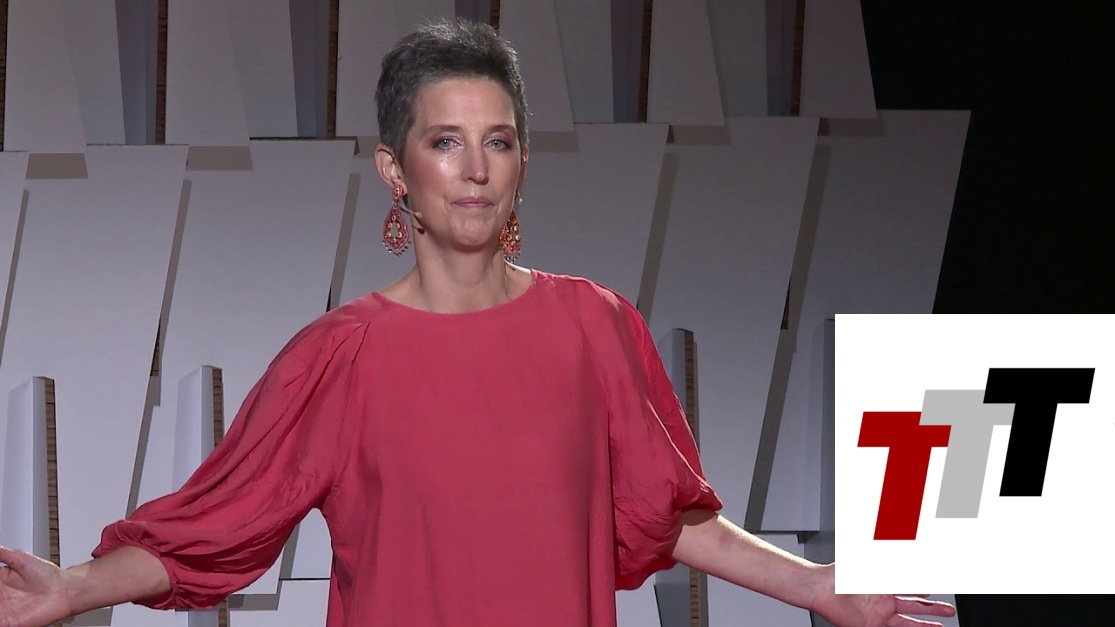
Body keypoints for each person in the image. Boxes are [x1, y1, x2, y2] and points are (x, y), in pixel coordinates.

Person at [0, 19, 955, 627]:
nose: (474, 168)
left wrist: (814, 585)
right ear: (395, 169)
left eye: (497, 141)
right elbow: (214, 525)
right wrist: (73, 587)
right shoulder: (340, 355)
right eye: (444, 141)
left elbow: (668, 517)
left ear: (523, 162)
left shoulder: (594, 325)